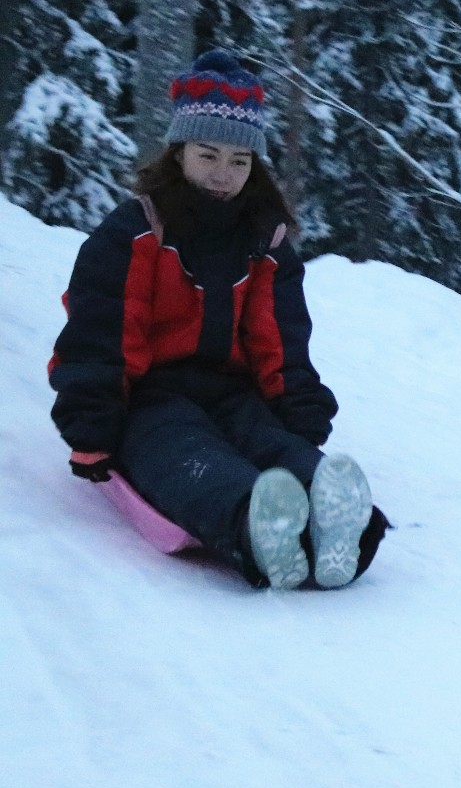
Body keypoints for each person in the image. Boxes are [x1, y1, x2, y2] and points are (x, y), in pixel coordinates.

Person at [48, 49, 388, 590]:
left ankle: (345, 527)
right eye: (208, 155)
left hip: (233, 392)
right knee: (186, 455)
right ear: (180, 152)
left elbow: (281, 338)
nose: (222, 174)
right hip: (149, 397)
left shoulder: (263, 241)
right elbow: (102, 333)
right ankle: (255, 524)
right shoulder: (132, 235)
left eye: (238, 161)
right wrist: (91, 425)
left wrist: (297, 414)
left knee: (273, 444)